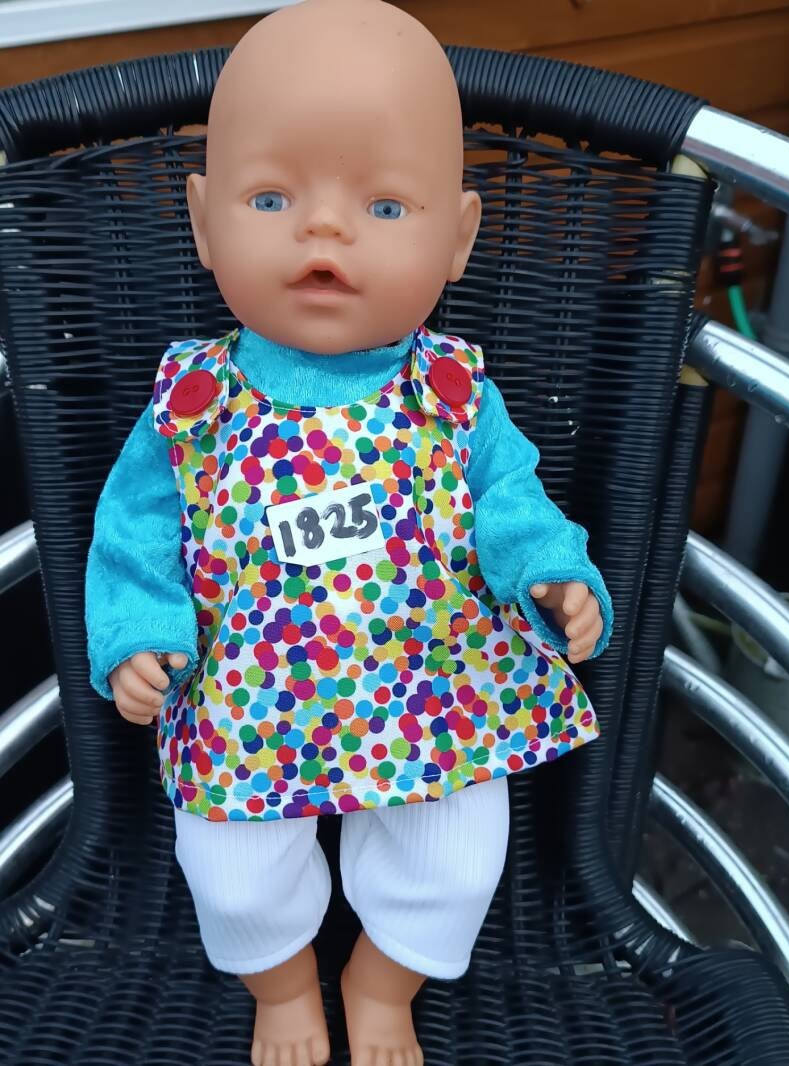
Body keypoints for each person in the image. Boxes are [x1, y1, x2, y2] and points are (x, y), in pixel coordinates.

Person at [85, 2, 613, 1063]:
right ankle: (282, 987)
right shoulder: (193, 401)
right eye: (270, 198)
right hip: (246, 692)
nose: (322, 231)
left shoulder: (452, 391)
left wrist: (549, 570)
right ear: (203, 222)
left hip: (433, 681)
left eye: (381, 204)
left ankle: (383, 980)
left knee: (456, 860)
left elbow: (510, 500)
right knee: (231, 871)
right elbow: (132, 532)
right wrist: (137, 630)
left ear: (456, 239)